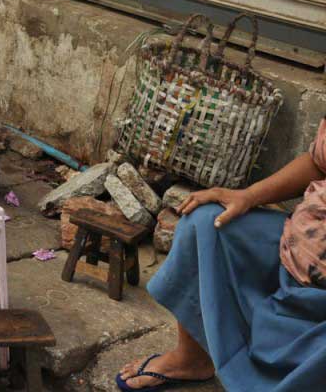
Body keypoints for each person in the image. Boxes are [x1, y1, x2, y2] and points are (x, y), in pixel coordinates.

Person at [116, 118, 326, 391]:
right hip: (293, 248)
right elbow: (318, 161)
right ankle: (191, 358)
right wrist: (248, 196)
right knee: (207, 222)